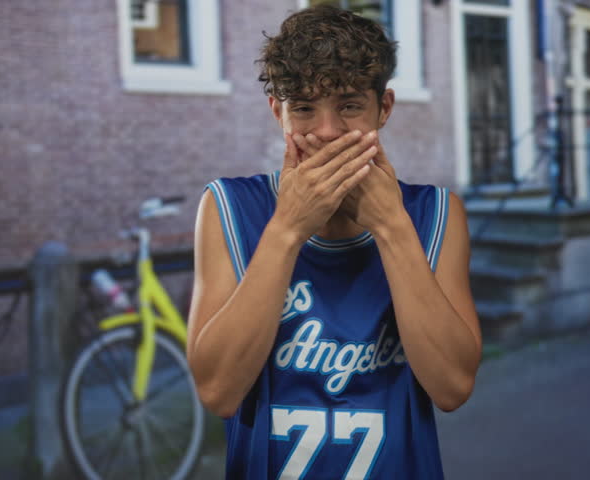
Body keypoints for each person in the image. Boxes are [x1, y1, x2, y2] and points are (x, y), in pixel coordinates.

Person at [187, 6, 481, 479]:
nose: (325, 131)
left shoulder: (437, 215)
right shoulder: (228, 208)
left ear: (383, 108)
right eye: (303, 107)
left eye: (348, 105)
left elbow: (452, 388)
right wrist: (287, 229)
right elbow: (219, 392)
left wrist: (392, 227)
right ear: (276, 112)